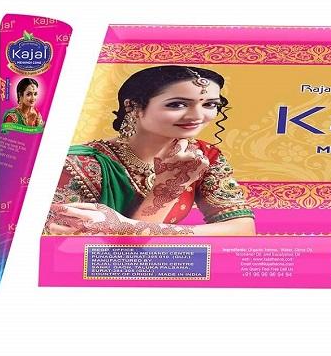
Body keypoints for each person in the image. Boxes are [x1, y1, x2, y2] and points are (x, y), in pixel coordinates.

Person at [46, 65, 255, 236]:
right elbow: (83, 251)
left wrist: (125, 227)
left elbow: (243, 230)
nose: (198, 116)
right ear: (133, 107)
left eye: (209, 104)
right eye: (177, 104)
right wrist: (170, 186)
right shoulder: (78, 164)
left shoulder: (203, 156)